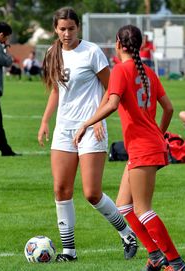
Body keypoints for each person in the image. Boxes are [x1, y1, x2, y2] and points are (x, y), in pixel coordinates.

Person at [74, 25, 185, 271]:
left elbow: (113, 103)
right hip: (149, 145)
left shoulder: (120, 70)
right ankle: (156, 256)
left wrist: (87, 122)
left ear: (118, 43)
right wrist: (159, 133)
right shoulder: (148, 71)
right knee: (124, 206)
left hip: (143, 148)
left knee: (142, 209)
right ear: (139, 45)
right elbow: (167, 108)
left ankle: (177, 263)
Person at [37, 7, 138, 263]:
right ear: (55, 30)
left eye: (71, 28)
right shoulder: (52, 53)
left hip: (92, 128)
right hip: (64, 129)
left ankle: (127, 233)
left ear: (78, 27)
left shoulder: (91, 51)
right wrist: (45, 121)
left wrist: (97, 118)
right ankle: (69, 252)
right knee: (61, 189)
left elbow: (110, 87)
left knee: (92, 192)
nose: (67, 33)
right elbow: (56, 91)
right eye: (62, 29)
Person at [0, 22, 21, 156]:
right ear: (0, 35)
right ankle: (5, 150)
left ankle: (5, 149)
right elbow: (6, 62)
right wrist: (6, 49)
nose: (6, 40)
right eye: (6, 37)